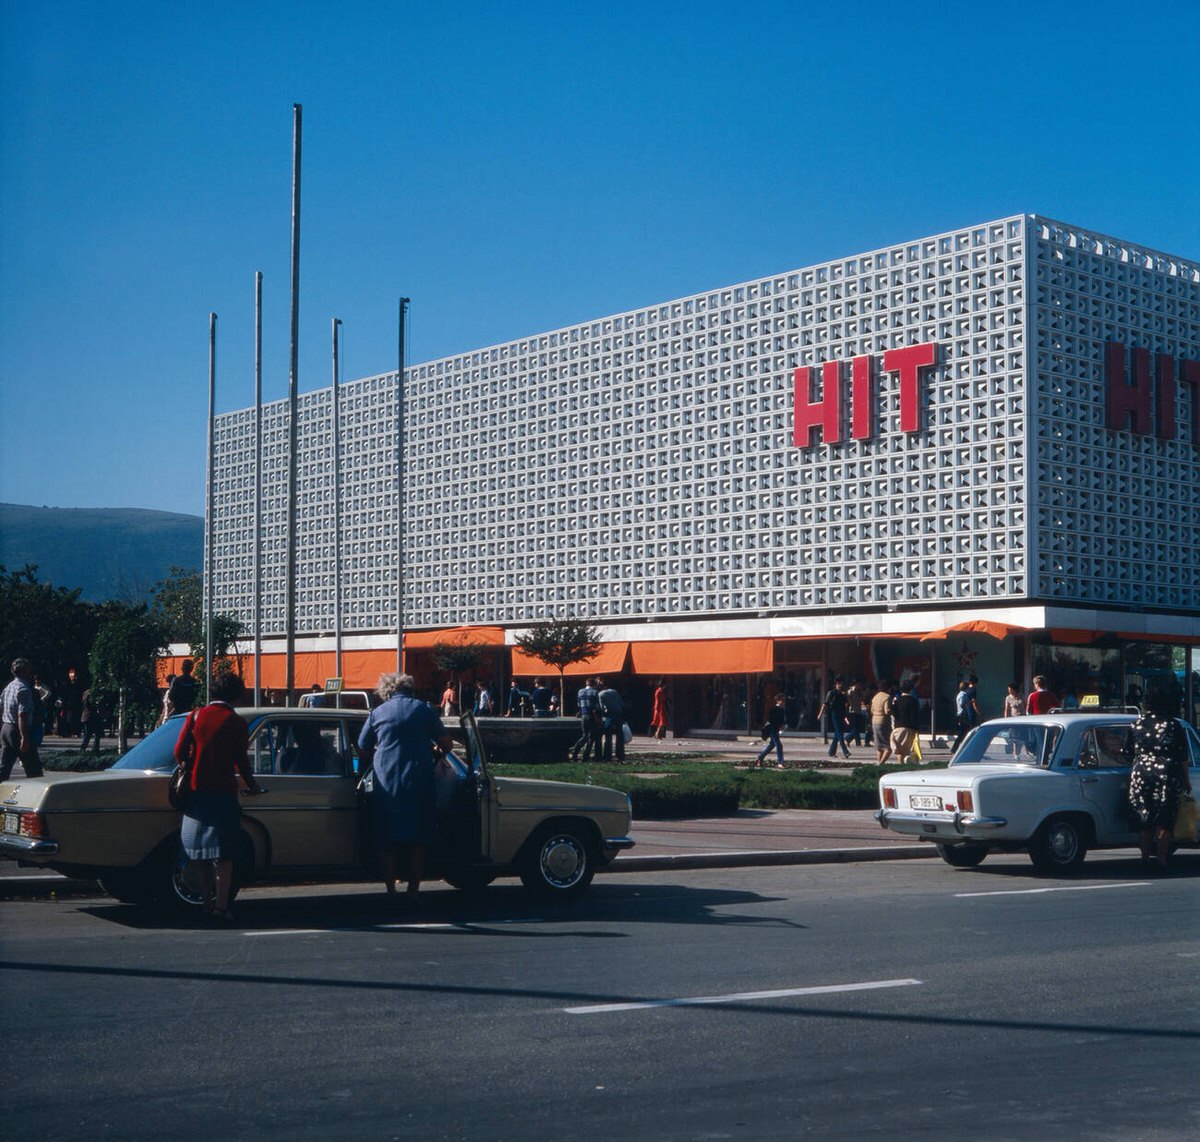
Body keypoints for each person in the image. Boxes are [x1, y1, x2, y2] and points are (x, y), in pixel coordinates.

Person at [357, 673, 452, 903]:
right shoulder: (424, 710)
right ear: (411, 689)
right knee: (418, 838)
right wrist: (434, 755)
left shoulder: (378, 713)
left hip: (385, 780)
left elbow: (362, 746)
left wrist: (377, 758)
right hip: (418, 779)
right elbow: (446, 744)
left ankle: (390, 890)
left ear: (387, 691)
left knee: (386, 837)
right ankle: (413, 890)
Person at [176, 671, 262, 923]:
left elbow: (178, 751)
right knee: (224, 854)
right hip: (223, 793)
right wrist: (252, 785)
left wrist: (191, 767)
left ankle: (205, 902)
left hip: (195, 792)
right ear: (235, 695)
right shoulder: (235, 722)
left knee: (200, 852)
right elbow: (241, 761)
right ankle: (221, 906)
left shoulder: (196, 715)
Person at [1125, 685, 1192, 870]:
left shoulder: (1136, 724)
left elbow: (1127, 752)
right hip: (1166, 772)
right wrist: (1186, 780)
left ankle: (1144, 857)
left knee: (1144, 817)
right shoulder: (1173, 724)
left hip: (1140, 773)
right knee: (1165, 818)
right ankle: (1161, 859)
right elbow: (1182, 755)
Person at [1, 658, 44, 780]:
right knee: (33, 768)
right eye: (29, 669)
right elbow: (22, 714)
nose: (32, 672)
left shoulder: (9, 686)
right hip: (18, 729)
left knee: (4, 767)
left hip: (6, 727)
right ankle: (34, 796)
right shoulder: (24, 689)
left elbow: (1, 707)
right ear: (24, 671)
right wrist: (24, 737)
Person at [817, 676, 851, 760]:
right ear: (835, 684)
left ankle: (831, 752)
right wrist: (820, 714)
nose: (840, 685)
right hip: (834, 714)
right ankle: (845, 751)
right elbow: (825, 704)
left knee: (838, 734)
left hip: (841, 715)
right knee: (839, 734)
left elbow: (846, 705)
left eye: (841, 683)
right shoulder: (831, 693)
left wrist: (846, 717)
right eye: (838, 684)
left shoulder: (843, 695)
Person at [889, 679, 920, 763]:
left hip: (898, 727)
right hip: (909, 728)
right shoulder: (913, 701)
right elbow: (915, 716)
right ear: (911, 689)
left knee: (900, 750)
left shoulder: (897, 701)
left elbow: (893, 713)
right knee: (910, 749)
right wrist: (917, 728)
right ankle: (908, 765)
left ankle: (900, 764)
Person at [570, 677, 601, 761]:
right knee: (591, 736)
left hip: (583, 714)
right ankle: (586, 755)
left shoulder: (580, 691)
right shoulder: (595, 692)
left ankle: (575, 751)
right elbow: (597, 706)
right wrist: (598, 718)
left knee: (584, 734)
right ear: (594, 684)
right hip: (592, 715)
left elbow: (579, 704)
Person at [754, 695, 787, 768]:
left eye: (783, 700)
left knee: (772, 745)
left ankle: (760, 757)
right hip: (772, 729)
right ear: (777, 700)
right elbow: (771, 719)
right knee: (779, 745)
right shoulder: (774, 709)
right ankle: (780, 762)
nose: (782, 702)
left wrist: (782, 726)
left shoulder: (782, 710)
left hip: (776, 729)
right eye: (781, 700)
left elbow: (782, 720)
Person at [597, 679, 626, 762]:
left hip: (609, 716)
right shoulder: (615, 692)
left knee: (608, 736)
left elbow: (601, 708)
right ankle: (620, 755)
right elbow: (622, 704)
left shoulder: (601, 694)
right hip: (618, 715)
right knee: (619, 736)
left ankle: (607, 755)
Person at [870, 680, 894, 763]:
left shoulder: (875, 697)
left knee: (879, 746)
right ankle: (881, 764)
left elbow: (872, 710)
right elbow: (887, 711)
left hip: (874, 721)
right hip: (883, 722)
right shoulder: (887, 697)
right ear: (888, 688)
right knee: (887, 747)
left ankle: (878, 762)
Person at [951, 681, 975, 753]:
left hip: (961, 715)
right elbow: (962, 704)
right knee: (962, 733)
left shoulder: (959, 694)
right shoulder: (963, 695)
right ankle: (954, 749)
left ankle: (960, 749)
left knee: (964, 733)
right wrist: (970, 702)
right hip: (962, 716)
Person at [80, 687, 103, 753]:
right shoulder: (91, 693)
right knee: (93, 733)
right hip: (91, 715)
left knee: (89, 733)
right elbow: (87, 704)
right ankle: (93, 749)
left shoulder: (86, 692)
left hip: (87, 715)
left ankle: (86, 748)